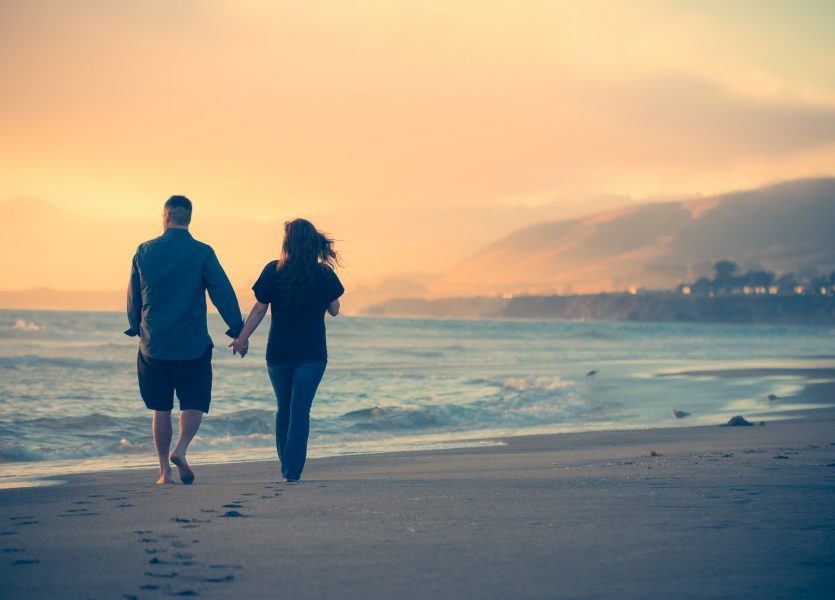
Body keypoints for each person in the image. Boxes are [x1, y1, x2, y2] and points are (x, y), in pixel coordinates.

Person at [125, 195, 244, 485]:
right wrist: (238, 329)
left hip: (154, 345)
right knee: (194, 401)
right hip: (192, 345)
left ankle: (164, 472)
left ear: (165, 216)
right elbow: (222, 292)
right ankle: (181, 449)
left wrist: (135, 327)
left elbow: (133, 296)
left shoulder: (144, 250)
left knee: (160, 407)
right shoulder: (202, 252)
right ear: (188, 219)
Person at [230, 218, 344, 483]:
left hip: (279, 353)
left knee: (284, 408)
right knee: (300, 409)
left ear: (287, 242)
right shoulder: (324, 274)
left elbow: (259, 309)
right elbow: (335, 310)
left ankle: (286, 467)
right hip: (312, 353)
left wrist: (241, 339)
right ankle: (292, 471)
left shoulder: (273, 270)